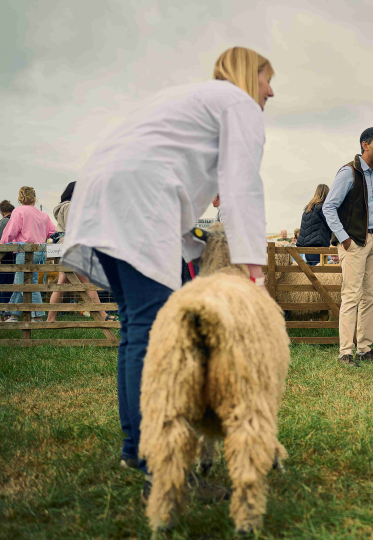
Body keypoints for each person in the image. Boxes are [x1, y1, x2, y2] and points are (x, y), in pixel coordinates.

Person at [61, 47, 274, 501]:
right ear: (245, 76)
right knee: (154, 332)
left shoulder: (188, 98)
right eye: (265, 79)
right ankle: (162, 467)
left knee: (136, 326)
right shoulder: (237, 103)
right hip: (139, 200)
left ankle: (136, 449)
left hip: (105, 191)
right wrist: (254, 273)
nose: (270, 90)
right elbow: (241, 187)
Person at [322, 127, 373, 366]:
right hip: (354, 242)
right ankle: (345, 352)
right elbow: (328, 207)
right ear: (365, 145)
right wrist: (344, 238)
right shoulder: (348, 172)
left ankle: (365, 349)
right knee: (351, 296)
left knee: (370, 297)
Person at [45, 182, 112, 323]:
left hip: (66, 247)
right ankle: (102, 314)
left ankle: (51, 318)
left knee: (62, 283)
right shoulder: (70, 207)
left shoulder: (64, 207)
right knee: (86, 281)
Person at [0, 187, 56, 322]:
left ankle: (25, 316)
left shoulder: (19, 211)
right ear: (35, 198)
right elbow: (53, 232)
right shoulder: (43, 215)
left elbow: (11, 232)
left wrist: (2, 244)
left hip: (24, 252)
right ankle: (16, 315)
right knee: (28, 283)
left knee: (21, 283)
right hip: (40, 252)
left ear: (20, 198)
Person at [297, 184, 332, 266]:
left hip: (307, 248)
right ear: (327, 193)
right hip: (318, 247)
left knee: (311, 273)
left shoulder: (308, 208)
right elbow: (330, 224)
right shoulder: (322, 208)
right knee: (319, 274)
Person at [0, 200, 15, 312]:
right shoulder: (15, 221)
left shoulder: (3, 222)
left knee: (2, 285)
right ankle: (8, 312)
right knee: (10, 285)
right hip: (14, 258)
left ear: (2, 212)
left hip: (3, 258)